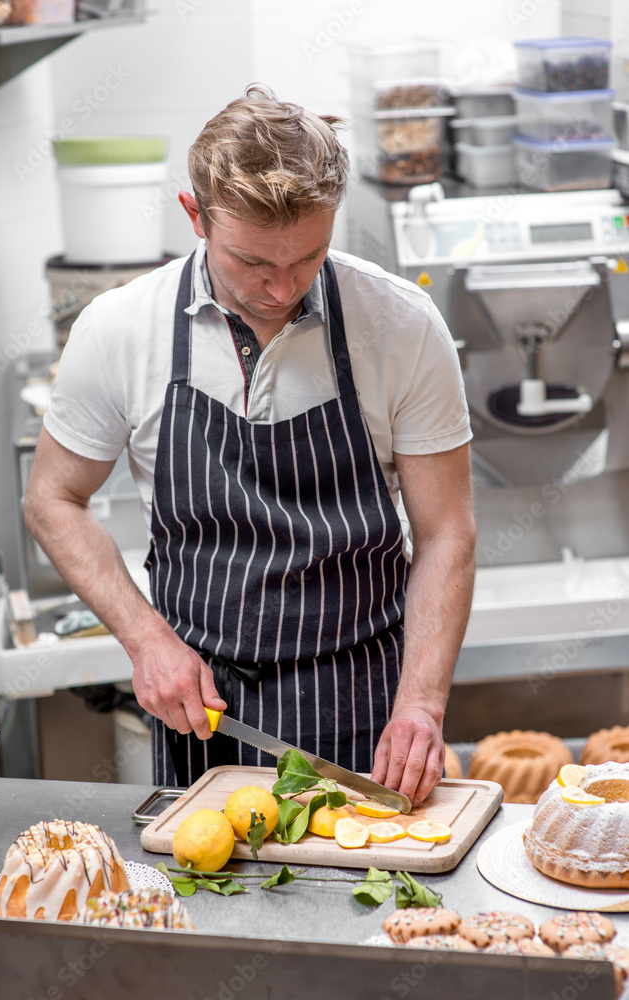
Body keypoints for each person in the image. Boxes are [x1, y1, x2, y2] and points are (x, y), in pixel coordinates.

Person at [25, 85, 476, 807]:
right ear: (194, 216)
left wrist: (420, 702)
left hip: (359, 704)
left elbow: (446, 529)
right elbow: (52, 499)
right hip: (197, 706)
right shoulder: (120, 328)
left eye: (307, 258)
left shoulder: (399, 326)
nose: (280, 288)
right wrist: (146, 641)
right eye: (251, 262)